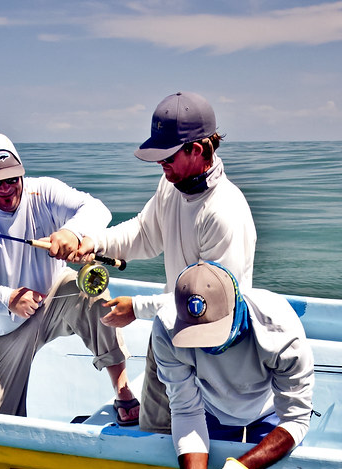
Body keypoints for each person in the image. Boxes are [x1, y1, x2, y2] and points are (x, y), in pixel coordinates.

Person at [51, 92, 256, 433]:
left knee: (199, 440)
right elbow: (144, 234)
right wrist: (93, 241)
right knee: (154, 432)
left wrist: (138, 307)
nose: (161, 163)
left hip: (215, 352)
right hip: (169, 334)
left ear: (199, 150)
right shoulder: (171, 184)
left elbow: (214, 305)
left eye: (168, 155)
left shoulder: (225, 213)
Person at [0, 132, 139, 424]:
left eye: (12, 178)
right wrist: (8, 299)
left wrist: (72, 233)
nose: (7, 189)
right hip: (9, 324)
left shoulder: (42, 192)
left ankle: (122, 391)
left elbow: (96, 208)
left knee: (89, 289)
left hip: (57, 297)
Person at [152, 260, 314, 469]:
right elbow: (185, 409)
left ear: (237, 307)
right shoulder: (166, 326)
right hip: (209, 414)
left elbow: (295, 419)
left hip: (272, 419)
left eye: (212, 333)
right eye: (195, 336)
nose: (204, 345)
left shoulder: (280, 330)